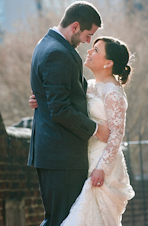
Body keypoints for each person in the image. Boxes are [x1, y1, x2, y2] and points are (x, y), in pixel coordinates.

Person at [30, 36, 135, 226]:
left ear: (108, 63)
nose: (89, 52)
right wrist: (41, 100)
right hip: (83, 156)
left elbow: (117, 135)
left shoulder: (113, 93)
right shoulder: (90, 85)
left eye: (96, 50)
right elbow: (65, 106)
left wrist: (101, 169)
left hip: (101, 164)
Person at [28, 1, 111, 226]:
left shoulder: (46, 45)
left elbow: (56, 97)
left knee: (62, 219)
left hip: (54, 152)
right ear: (75, 26)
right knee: (62, 220)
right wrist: (96, 129)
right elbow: (61, 109)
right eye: (87, 35)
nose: (87, 42)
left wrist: (42, 101)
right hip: (60, 153)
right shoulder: (58, 53)